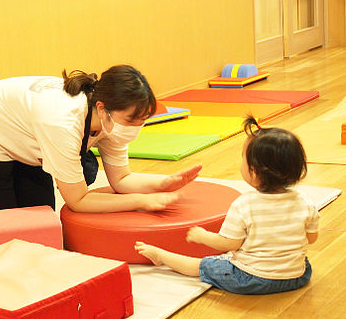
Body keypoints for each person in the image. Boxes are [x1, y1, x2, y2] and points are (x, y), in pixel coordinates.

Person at [0, 65, 202, 216]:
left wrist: (162, 184)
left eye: (141, 121)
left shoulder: (110, 120)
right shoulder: (62, 122)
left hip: (28, 139)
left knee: (39, 225)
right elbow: (78, 201)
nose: (135, 129)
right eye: (131, 121)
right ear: (103, 107)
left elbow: (121, 180)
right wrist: (142, 201)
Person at [135, 115, 319, 295]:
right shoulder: (305, 202)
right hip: (297, 276)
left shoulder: (244, 204)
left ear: (253, 172)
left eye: (242, 159)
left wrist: (203, 236)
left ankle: (162, 257)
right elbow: (311, 238)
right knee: (300, 260)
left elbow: (230, 243)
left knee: (205, 265)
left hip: (251, 279)